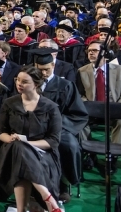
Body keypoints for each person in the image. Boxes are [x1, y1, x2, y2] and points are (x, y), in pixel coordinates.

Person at [0, 66, 63, 212]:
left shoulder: (50, 107)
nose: (19, 84)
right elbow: (0, 132)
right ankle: (47, 196)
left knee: (22, 156)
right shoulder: (9, 103)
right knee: (18, 149)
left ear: (36, 84)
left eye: (25, 81)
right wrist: (10, 139)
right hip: (11, 150)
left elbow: (53, 141)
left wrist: (27, 144)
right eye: (18, 80)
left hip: (43, 154)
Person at [31, 47, 88, 199]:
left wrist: (56, 124)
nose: (43, 73)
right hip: (31, 127)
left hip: (59, 128)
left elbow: (78, 113)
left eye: (47, 70)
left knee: (69, 145)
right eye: (40, 69)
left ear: (53, 66)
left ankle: (64, 184)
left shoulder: (66, 86)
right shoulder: (29, 84)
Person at [76, 40, 121, 144]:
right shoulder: (81, 71)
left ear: (105, 53)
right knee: (79, 121)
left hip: (114, 108)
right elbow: (80, 94)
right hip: (91, 109)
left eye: (95, 50)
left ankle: (114, 153)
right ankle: (89, 152)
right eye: (89, 51)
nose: (91, 53)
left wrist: (118, 107)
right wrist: (88, 106)